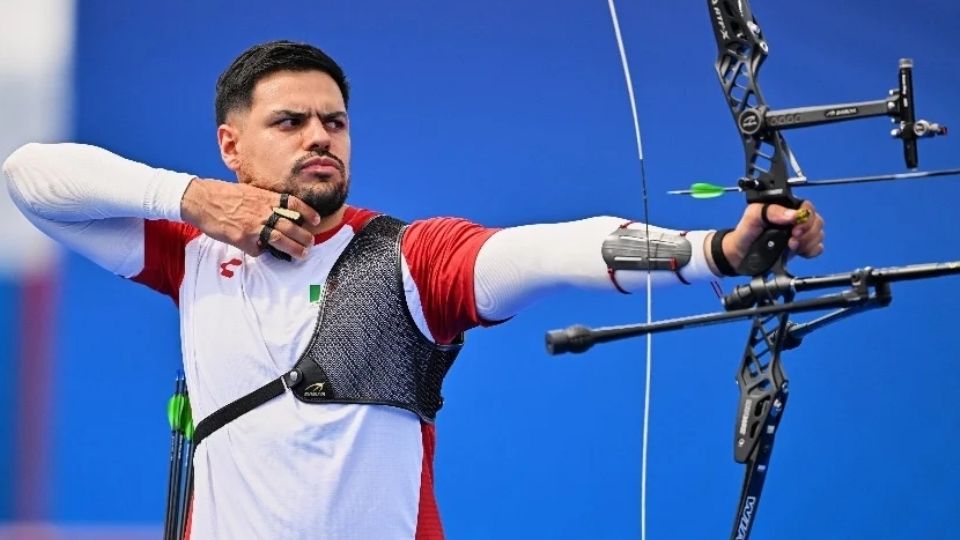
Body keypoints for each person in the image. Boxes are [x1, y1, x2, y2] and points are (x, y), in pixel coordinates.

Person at [2, 40, 823, 539]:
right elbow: (29, 176)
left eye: (334, 122)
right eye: (289, 122)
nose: (320, 136)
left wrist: (714, 250)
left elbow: (546, 250)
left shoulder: (407, 259)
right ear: (231, 145)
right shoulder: (190, 252)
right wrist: (192, 200)